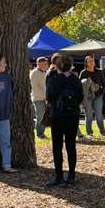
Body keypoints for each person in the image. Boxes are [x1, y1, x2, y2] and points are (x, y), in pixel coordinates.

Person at [46, 56, 83, 186]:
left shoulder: (53, 80)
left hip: (57, 115)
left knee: (57, 146)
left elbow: (49, 98)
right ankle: (71, 175)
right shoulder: (76, 80)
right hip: (72, 115)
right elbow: (80, 98)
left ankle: (59, 175)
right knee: (71, 145)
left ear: (58, 66)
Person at [79, 56, 105, 137]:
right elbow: (80, 85)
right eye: (89, 61)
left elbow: (103, 83)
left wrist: (101, 90)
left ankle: (102, 131)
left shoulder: (99, 71)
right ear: (86, 63)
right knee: (89, 115)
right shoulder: (83, 73)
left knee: (99, 115)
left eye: (93, 61)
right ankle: (89, 132)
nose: (92, 63)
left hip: (98, 96)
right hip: (88, 97)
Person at [30, 57, 48, 139]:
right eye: (45, 64)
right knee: (40, 116)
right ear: (39, 64)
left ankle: (42, 132)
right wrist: (44, 96)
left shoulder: (45, 73)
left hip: (45, 98)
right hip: (38, 99)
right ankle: (39, 133)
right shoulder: (34, 73)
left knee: (44, 116)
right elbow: (35, 87)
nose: (46, 65)